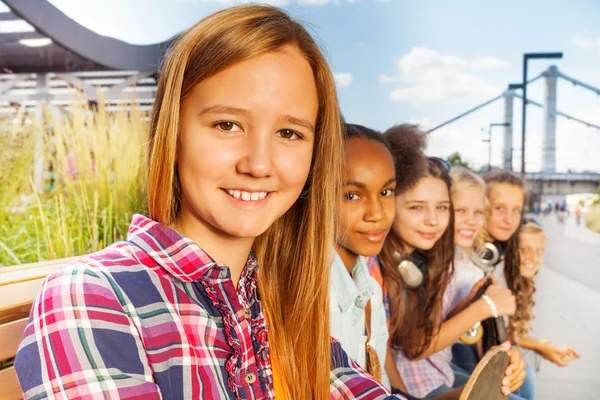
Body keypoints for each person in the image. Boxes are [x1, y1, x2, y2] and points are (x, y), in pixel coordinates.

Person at [15, 6, 401, 399]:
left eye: (288, 133)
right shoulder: (93, 296)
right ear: (173, 132)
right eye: (227, 125)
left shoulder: (281, 302)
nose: (259, 164)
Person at [371, 126, 526, 399]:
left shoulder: (419, 262)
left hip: (436, 375)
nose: (432, 220)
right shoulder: (378, 269)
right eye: (416, 207)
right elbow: (409, 349)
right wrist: (484, 306)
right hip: (420, 381)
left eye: (442, 208)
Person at [329, 123, 400, 390]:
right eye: (352, 195)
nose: (377, 213)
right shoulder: (311, 295)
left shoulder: (370, 289)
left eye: (386, 192)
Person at [508, 220, 580, 399]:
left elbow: (528, 335)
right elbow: (507, 334)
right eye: (525, 249)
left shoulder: (526, 285)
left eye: (539, 250)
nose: (533, 256)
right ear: (512, 251)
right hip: (510, 368)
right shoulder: (503, 284)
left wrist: (550, 347)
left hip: (522, 366)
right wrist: (545, 348)